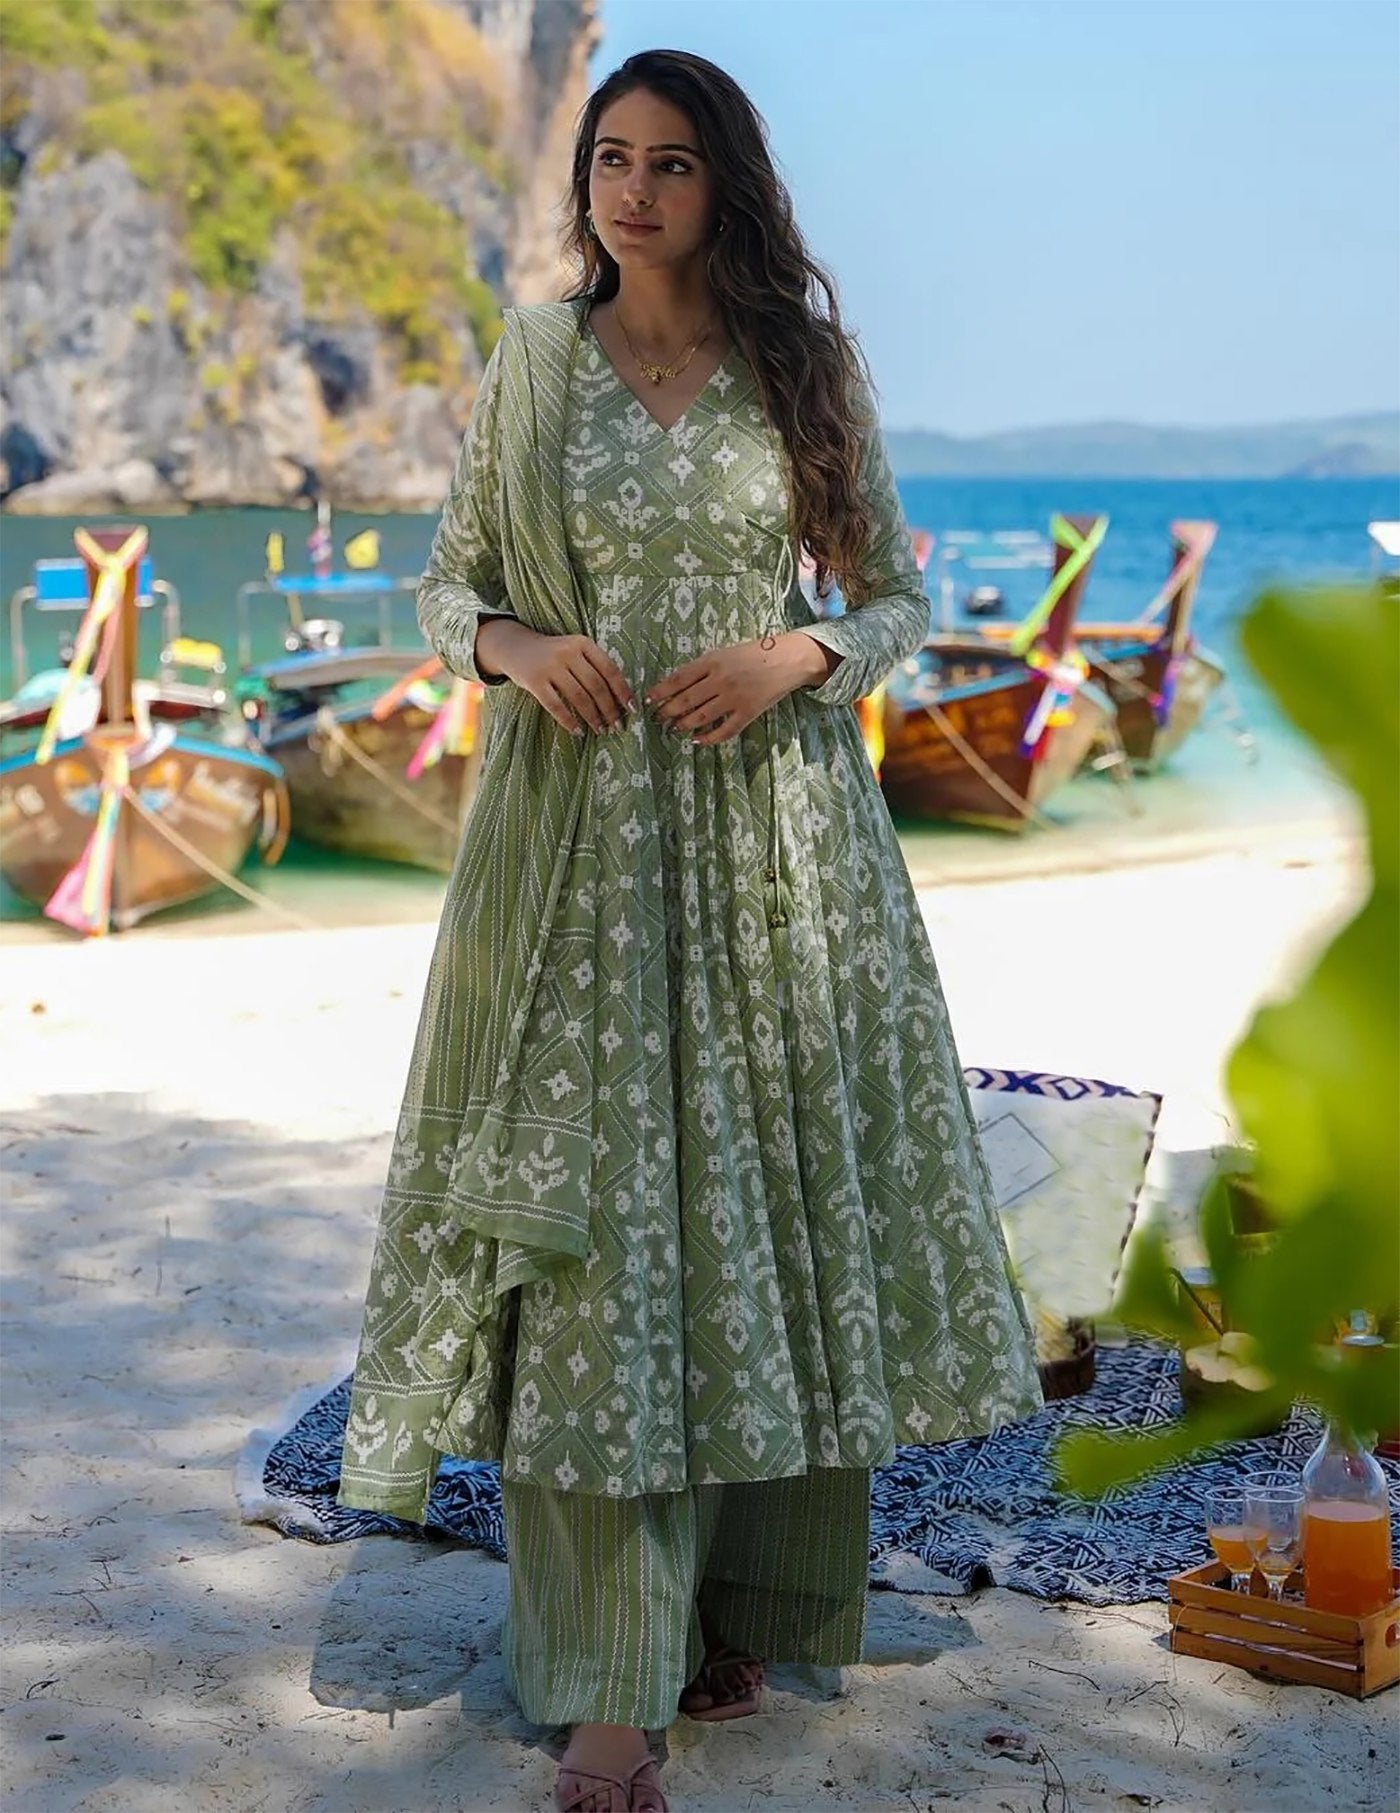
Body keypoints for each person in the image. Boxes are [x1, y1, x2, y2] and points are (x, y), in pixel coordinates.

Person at [337, 48, 1043, 1813]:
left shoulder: (801, 369)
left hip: (772, 853)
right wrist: (511, 648)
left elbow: (886, 597)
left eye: (666, 162)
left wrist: (790, 654)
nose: (630, 191)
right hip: (573, 848)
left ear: (723, 184)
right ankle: (601, 1680)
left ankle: (740, 1603)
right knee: (596, 1247)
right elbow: (444, 588)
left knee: (750, 1224)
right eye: (607, 158)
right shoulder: (533, 369)